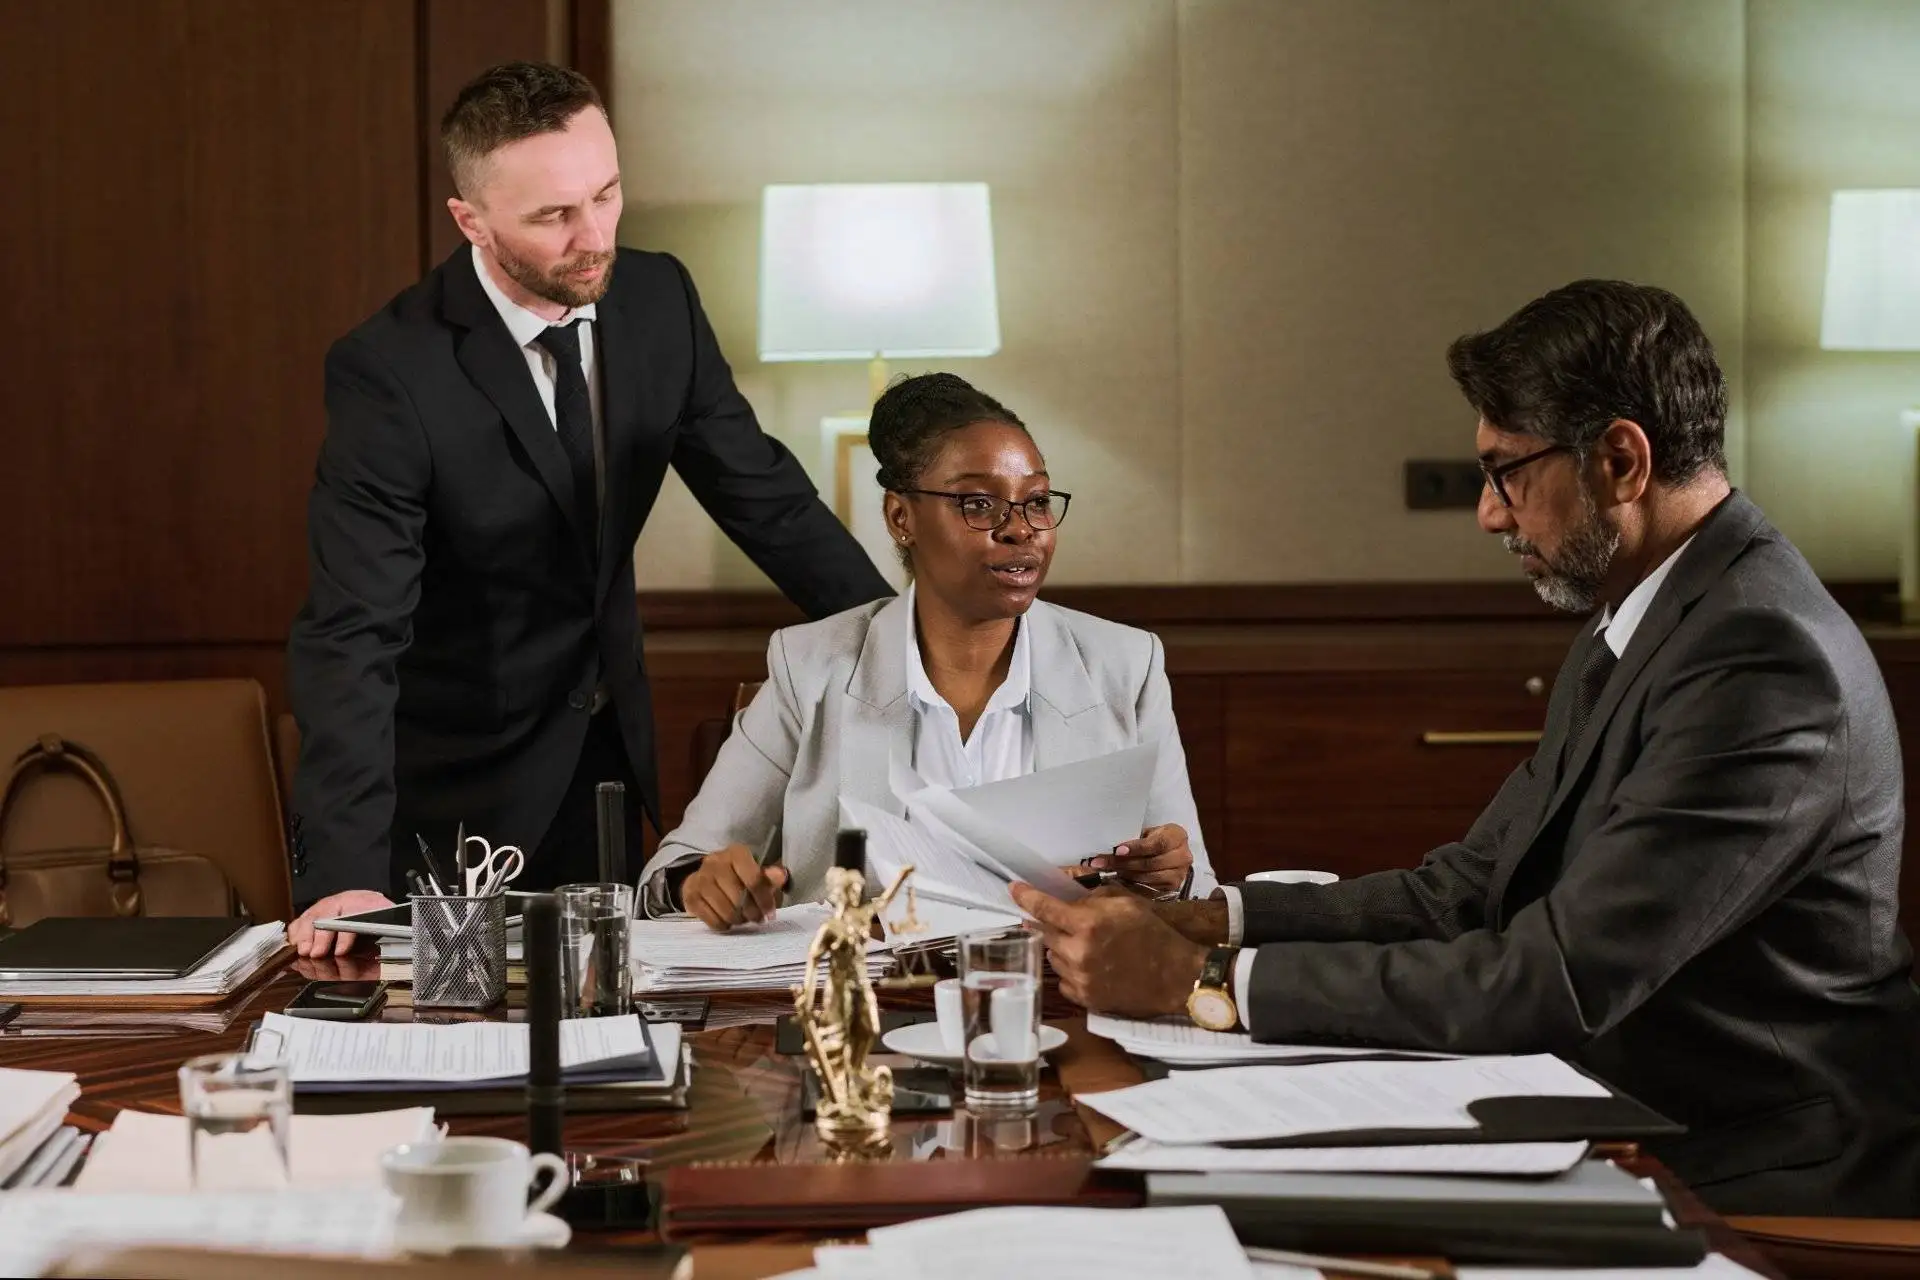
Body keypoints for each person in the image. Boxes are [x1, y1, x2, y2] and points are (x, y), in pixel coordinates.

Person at [1014, 280, 1920, 1216]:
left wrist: (1201, 984)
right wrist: (1213, 924)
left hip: (1766, 1167)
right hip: (1627, 1110)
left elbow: (1558, 977)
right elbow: (1466, 888)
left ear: (1620, 460)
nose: (1490, 514)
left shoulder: (1760, 656)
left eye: (1506, 473)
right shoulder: (1649, 614)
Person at [285, 62, 890, 956]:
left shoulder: (659, 301)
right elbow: (353, 632)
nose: (594, 235)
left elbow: (771, 505)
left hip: (605, 760)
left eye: (606, 194)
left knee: (609, 1019)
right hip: (455, 789)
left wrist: (907, 647)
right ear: (471, 220)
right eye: (553, 216)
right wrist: (343, 869)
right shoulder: (392, 372)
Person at [638, 373, 1217, 929]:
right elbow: (674, 871)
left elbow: (1197, 888)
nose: (1021, 529)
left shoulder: (1125, 666)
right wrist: (703, 884)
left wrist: (1172, 875)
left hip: (1055, 987)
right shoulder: (808, 667)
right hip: (864, 990)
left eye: (1037, 500)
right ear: (901, 517)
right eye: (979, 504)